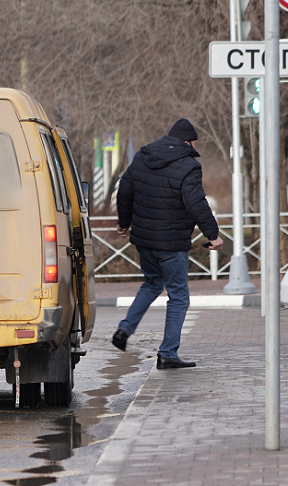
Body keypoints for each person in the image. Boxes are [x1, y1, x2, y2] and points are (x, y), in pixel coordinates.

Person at [111, 118, 223, 369]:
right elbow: (196, 203)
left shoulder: (142, 156)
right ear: (187, 141)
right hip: (171, 243)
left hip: (144, 239)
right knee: (179, 296)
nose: (194, 146)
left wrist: (124, 222)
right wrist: (212, 235)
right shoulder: (189, 166)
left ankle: (124, 330)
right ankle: (168, 354)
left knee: (151, 284)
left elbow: (125, 190)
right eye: (194, 142)